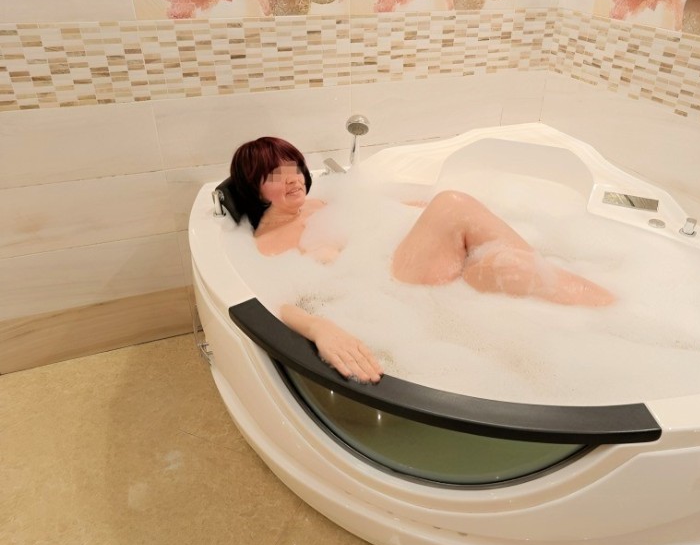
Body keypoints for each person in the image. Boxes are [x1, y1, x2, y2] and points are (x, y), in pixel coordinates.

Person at [230, 137, 614, 384]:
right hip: (392, 283)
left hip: (409, 267)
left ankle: (612, 316)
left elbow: (375, 210)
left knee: (501, 268)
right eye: (276, 175)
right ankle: (609, 306)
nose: (293, 179)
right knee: (452, 204)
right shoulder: (270, 241)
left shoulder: (319, 205)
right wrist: (320, 328)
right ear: (254, 188)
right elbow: (277, 299)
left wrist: (416, 211)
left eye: (294, 168)